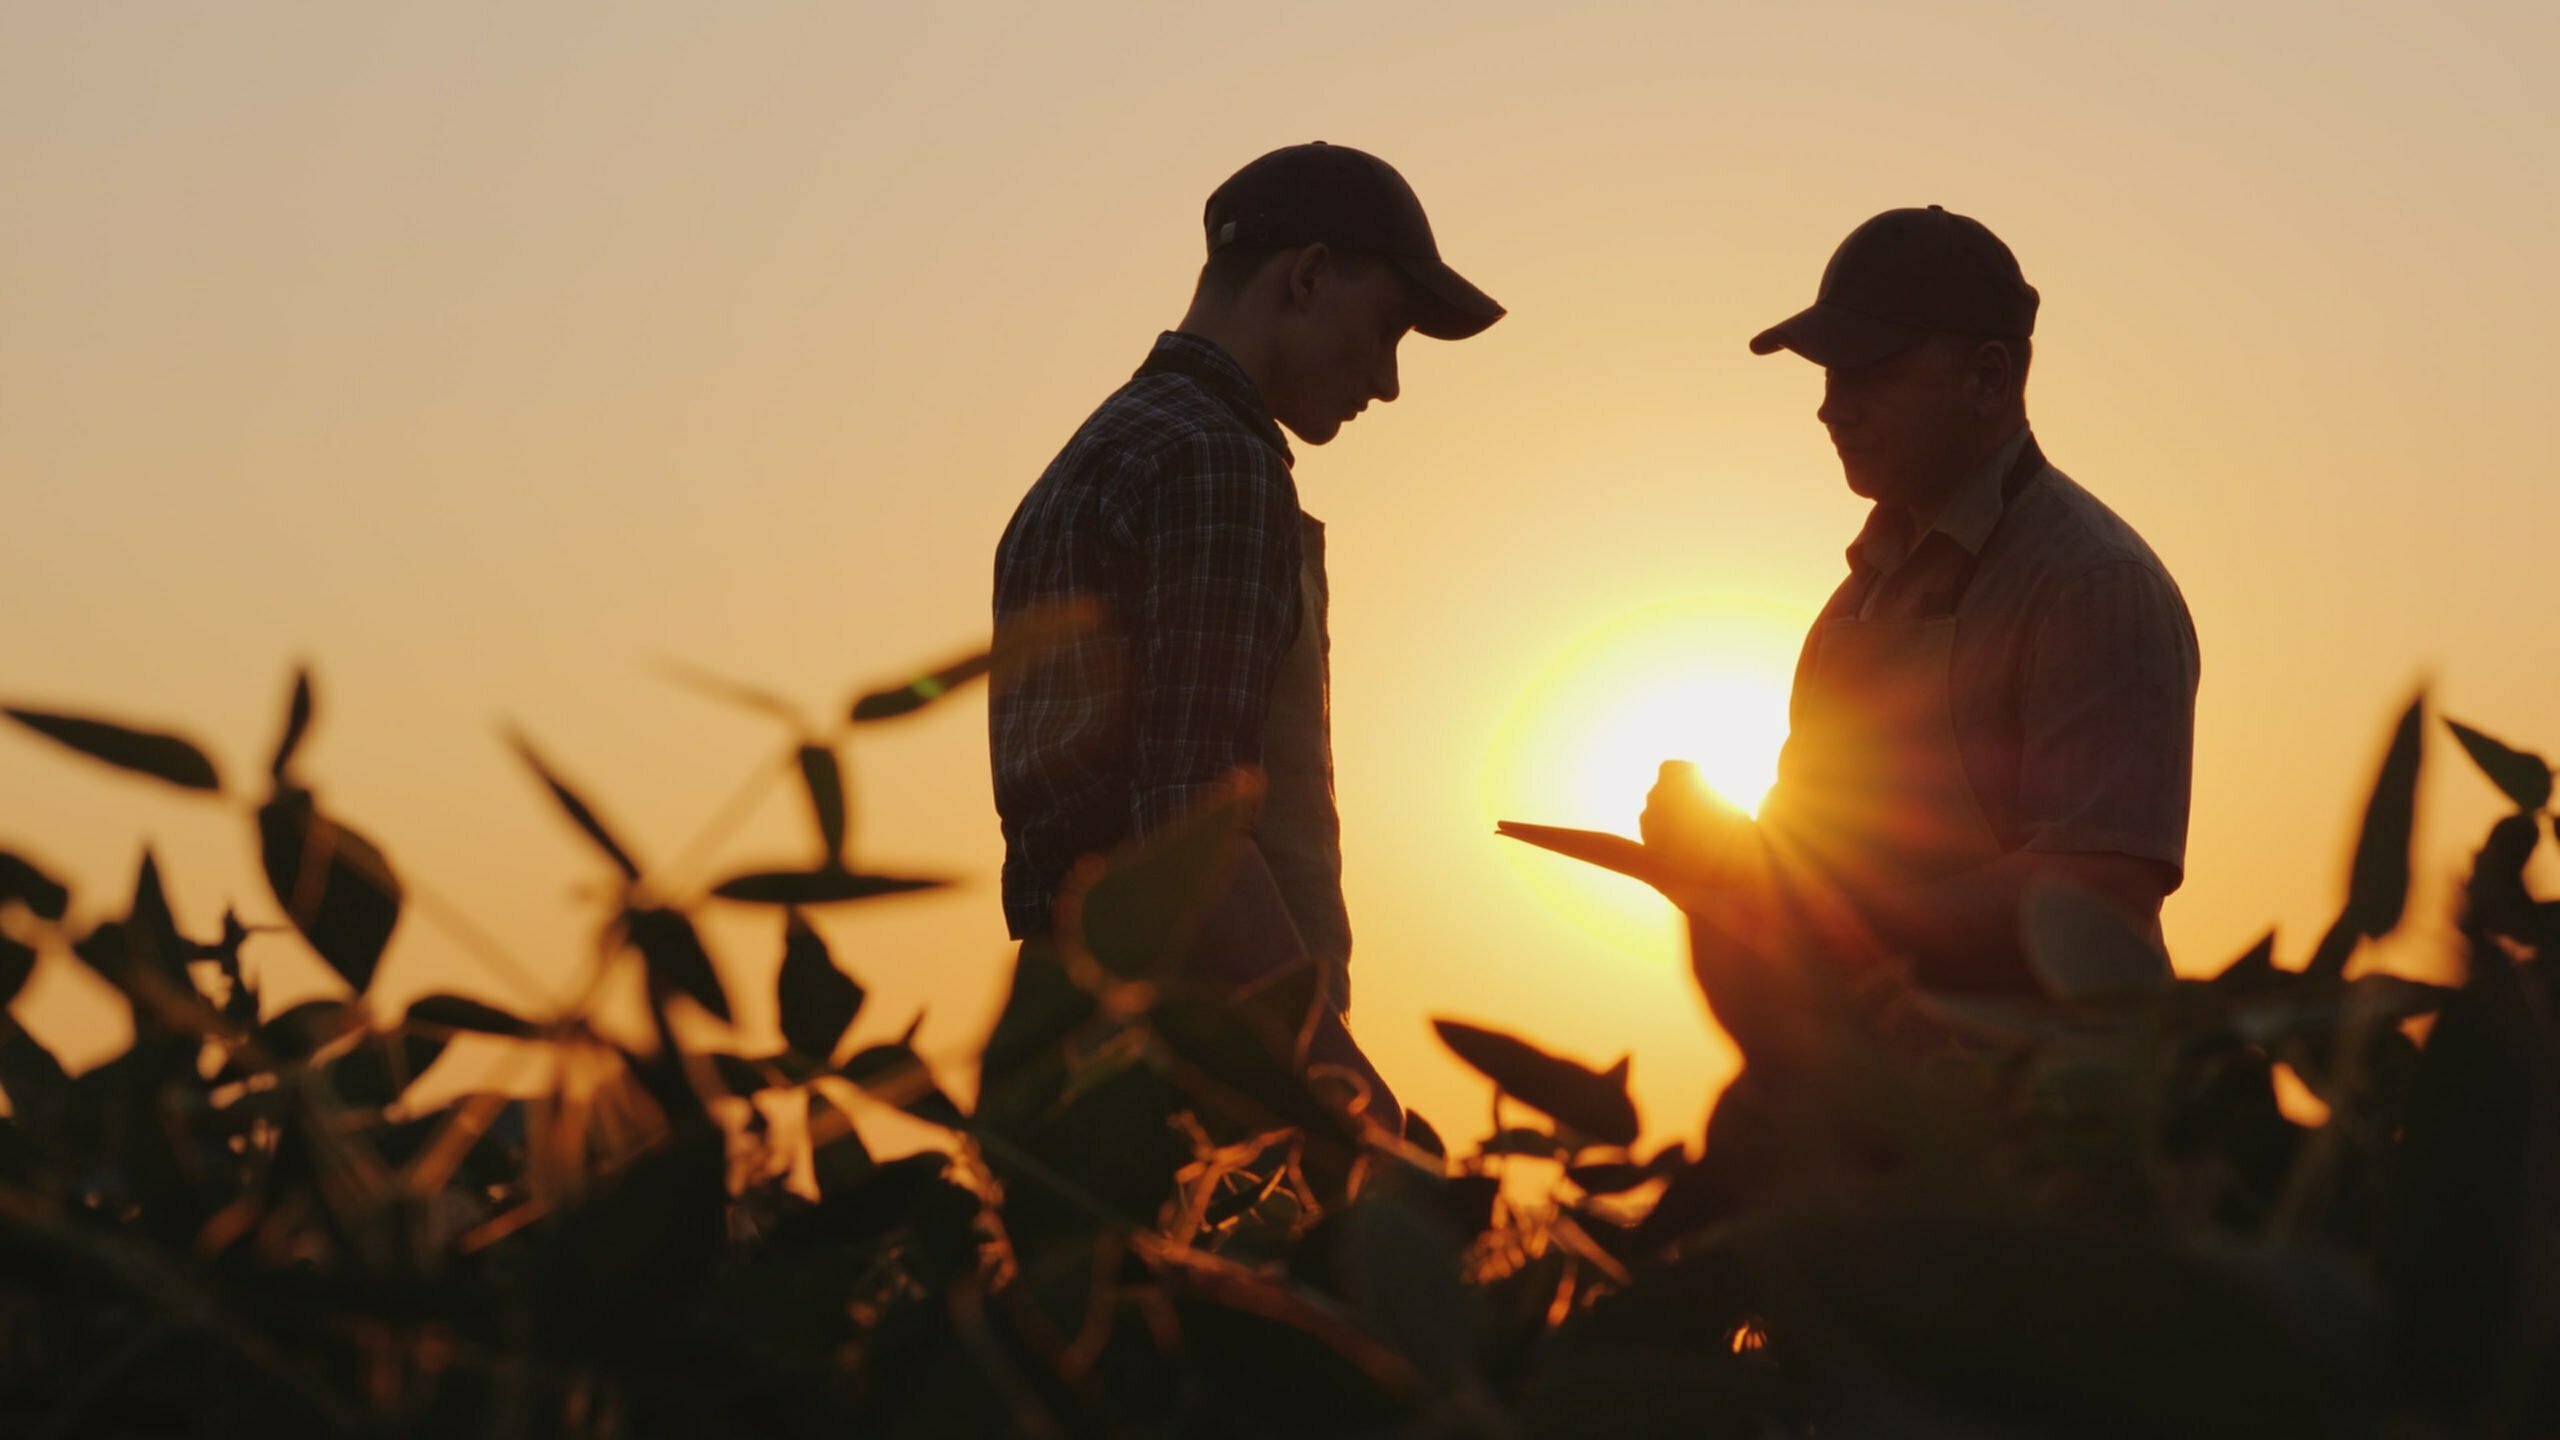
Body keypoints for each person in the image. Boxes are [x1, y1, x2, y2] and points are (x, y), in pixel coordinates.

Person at [990, 142, 1504, 1130]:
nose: (1390, 381)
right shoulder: (1217, 461)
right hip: (1189, 1072)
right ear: (1307, 277)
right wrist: (1340, 1091)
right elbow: (1192, 827)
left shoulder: (1093, 457)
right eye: (1388, 328)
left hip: (1063, 1046)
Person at [1642, 205, 2199, 995]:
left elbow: (2100, 887)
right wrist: (1722, 853)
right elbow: (1815, 856)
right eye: (1831, 376)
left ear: (1988, 378)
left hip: (2060, 1102)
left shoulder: (2094, 587)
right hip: (1884, 1090)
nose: (1833, 407)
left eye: (1870, 372)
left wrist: (1827, 922)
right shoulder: (1853, 604)